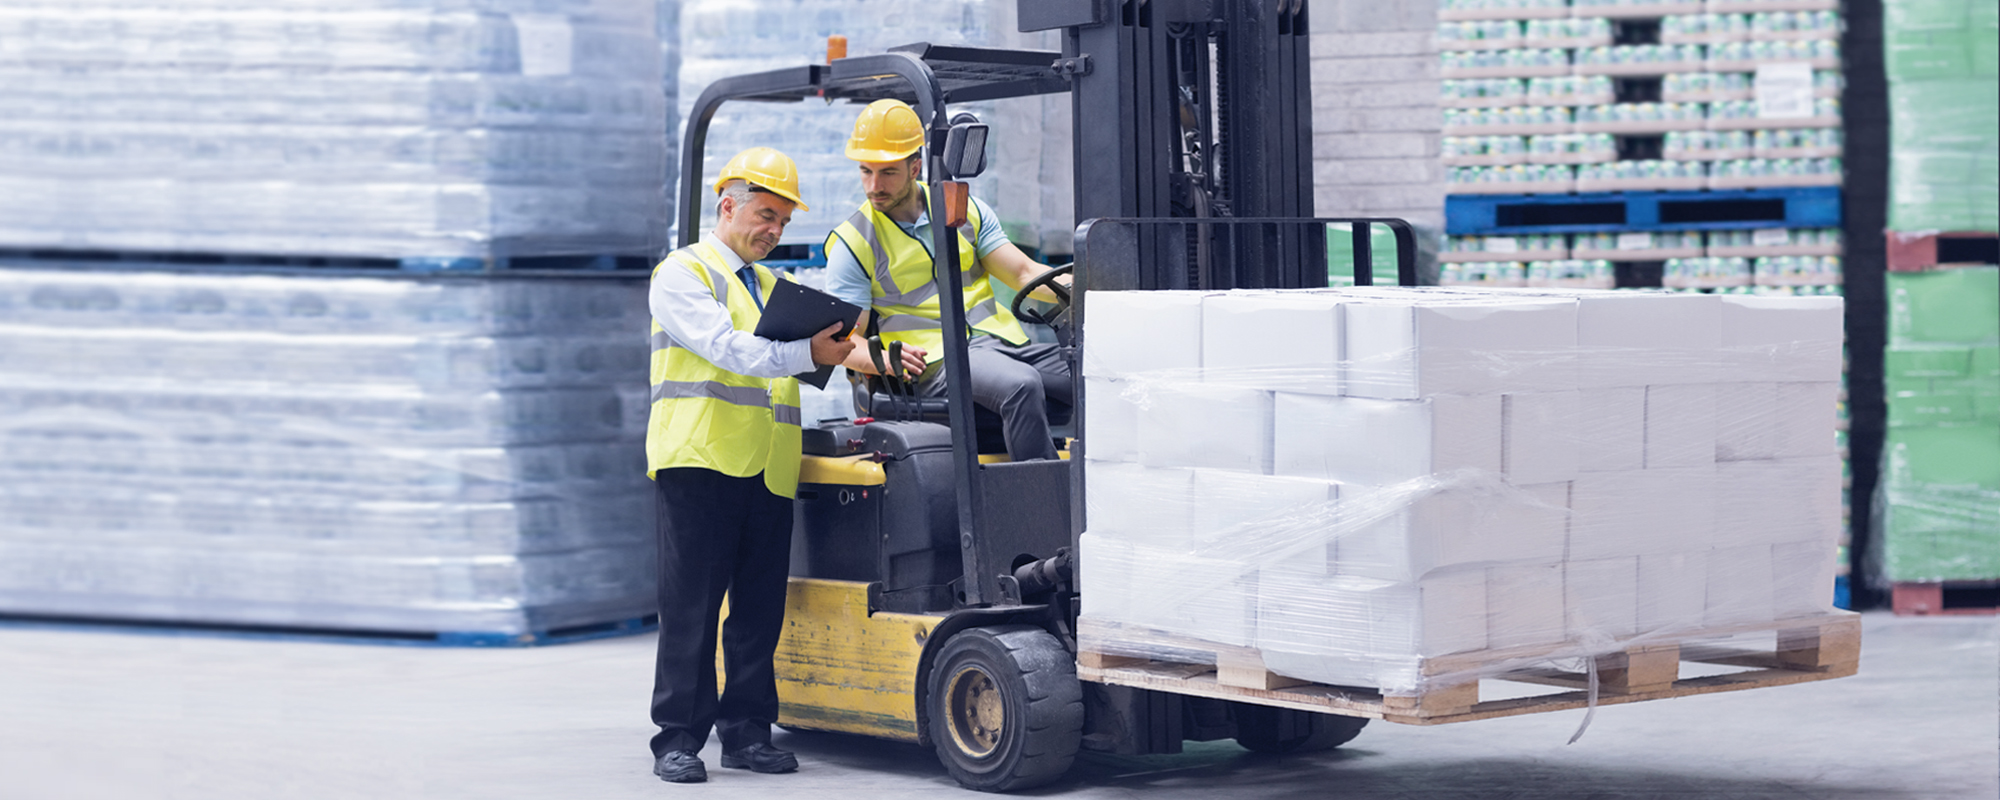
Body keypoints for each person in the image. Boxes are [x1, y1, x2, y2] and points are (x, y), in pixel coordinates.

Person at [644, 147, 869, 784]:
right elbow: (727, 349)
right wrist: (807, 351)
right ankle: (678, 739)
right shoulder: (683, 275)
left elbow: (821, 355)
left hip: (768, 466)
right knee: (692, 607)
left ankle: (746, 732)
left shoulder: (772, 287)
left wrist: (868, 355)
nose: (773, 230)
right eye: (765, 215)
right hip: (700, 461)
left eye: (782, 221)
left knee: (758, 610)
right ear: (728, 206)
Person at [823, 99, 1074, 462]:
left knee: (1094, 370)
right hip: (935, 361)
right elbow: (847, 339)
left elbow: (1023, 273)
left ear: (915, 167)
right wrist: (882, 363)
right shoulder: (855, 241)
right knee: (1020, 385)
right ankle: (1042, 510)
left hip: (1000, 344)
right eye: (865, 171)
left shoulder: (965, 210)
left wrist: (1093, 289)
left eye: (887, 173)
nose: (873, 186)